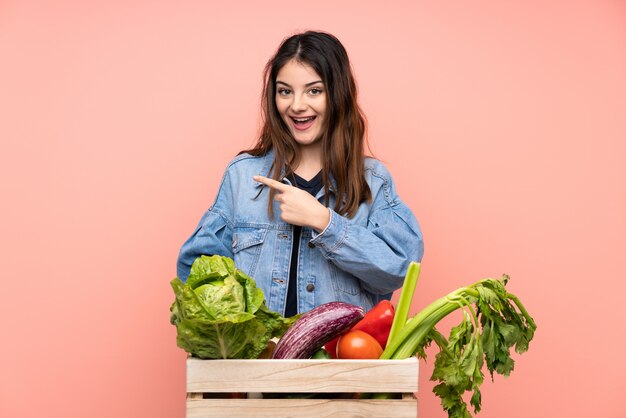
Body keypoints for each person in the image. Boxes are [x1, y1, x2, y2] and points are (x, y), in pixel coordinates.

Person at [177, 31, 423, 316]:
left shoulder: (372, 180)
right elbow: (196, 269)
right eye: (285, 91)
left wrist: (325, 222)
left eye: (313, 90)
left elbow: (399, 270)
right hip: (257, 360)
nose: (296, 105)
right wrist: (230, 333)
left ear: (337, 94)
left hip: (342, 359)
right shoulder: (242, 176)